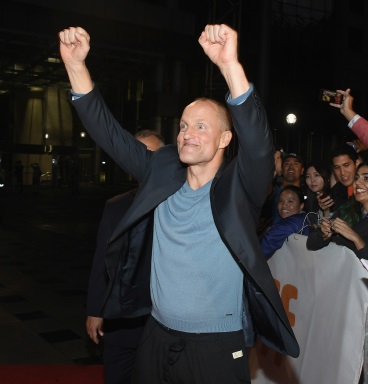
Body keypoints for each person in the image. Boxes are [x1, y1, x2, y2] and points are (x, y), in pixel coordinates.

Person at [59, 23, 298, 383]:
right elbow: (111, 136)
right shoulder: (162, 169)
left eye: (202, 127)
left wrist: (229, 65)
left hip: (216, 346)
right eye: (185, 125)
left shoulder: (240, 186)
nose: (188, 133)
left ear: (224, 139)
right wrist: (76, 66)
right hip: (155, 335)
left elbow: (260, 146)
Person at [86, 129, 164, 384]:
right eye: (136, 154)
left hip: (164, 321)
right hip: (123, 322)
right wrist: (95, 310)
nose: (143, 161)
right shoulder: (115, 206)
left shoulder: (180, 203)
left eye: (150, 154)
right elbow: (102, 263)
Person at [307, 159, 368, 262]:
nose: (357, 182)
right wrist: (324, 233)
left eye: (366, 178)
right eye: (356, 178)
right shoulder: (348, 209)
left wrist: (355, 238)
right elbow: (311, 244)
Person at [261, 185, 310, 260]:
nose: (284, 205)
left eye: (290, 201)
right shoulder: (301, 219)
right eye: (281, 201)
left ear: (301, 206)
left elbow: (269, 240)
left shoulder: (295, 221)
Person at [317, 143, 359, 216]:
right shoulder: (337, 191)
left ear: (357, 163)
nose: (342, 172)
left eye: (346, 165)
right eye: (337, 167)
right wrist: (326, 209)